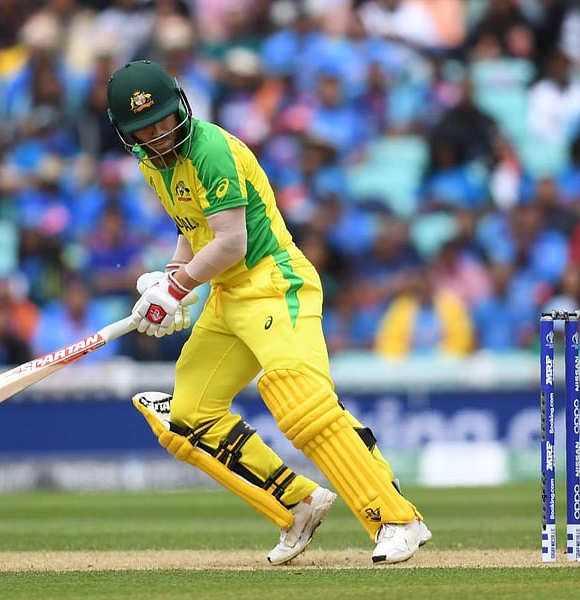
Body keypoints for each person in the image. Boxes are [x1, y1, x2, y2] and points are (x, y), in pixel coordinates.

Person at [106, 59, 431, 565]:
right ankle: (297, 502)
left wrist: (177, 286)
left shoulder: (209, 148)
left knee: (299, 402)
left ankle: (397, 518)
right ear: (127, 136)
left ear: (180, 108)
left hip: (275, 282)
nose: (160, 134)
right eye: (144, 130)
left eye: (165, 119)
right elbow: (195, 228)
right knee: (189, 419)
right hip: (227, 296)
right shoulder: (152, 163)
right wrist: (169, 276)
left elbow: (232, 242)